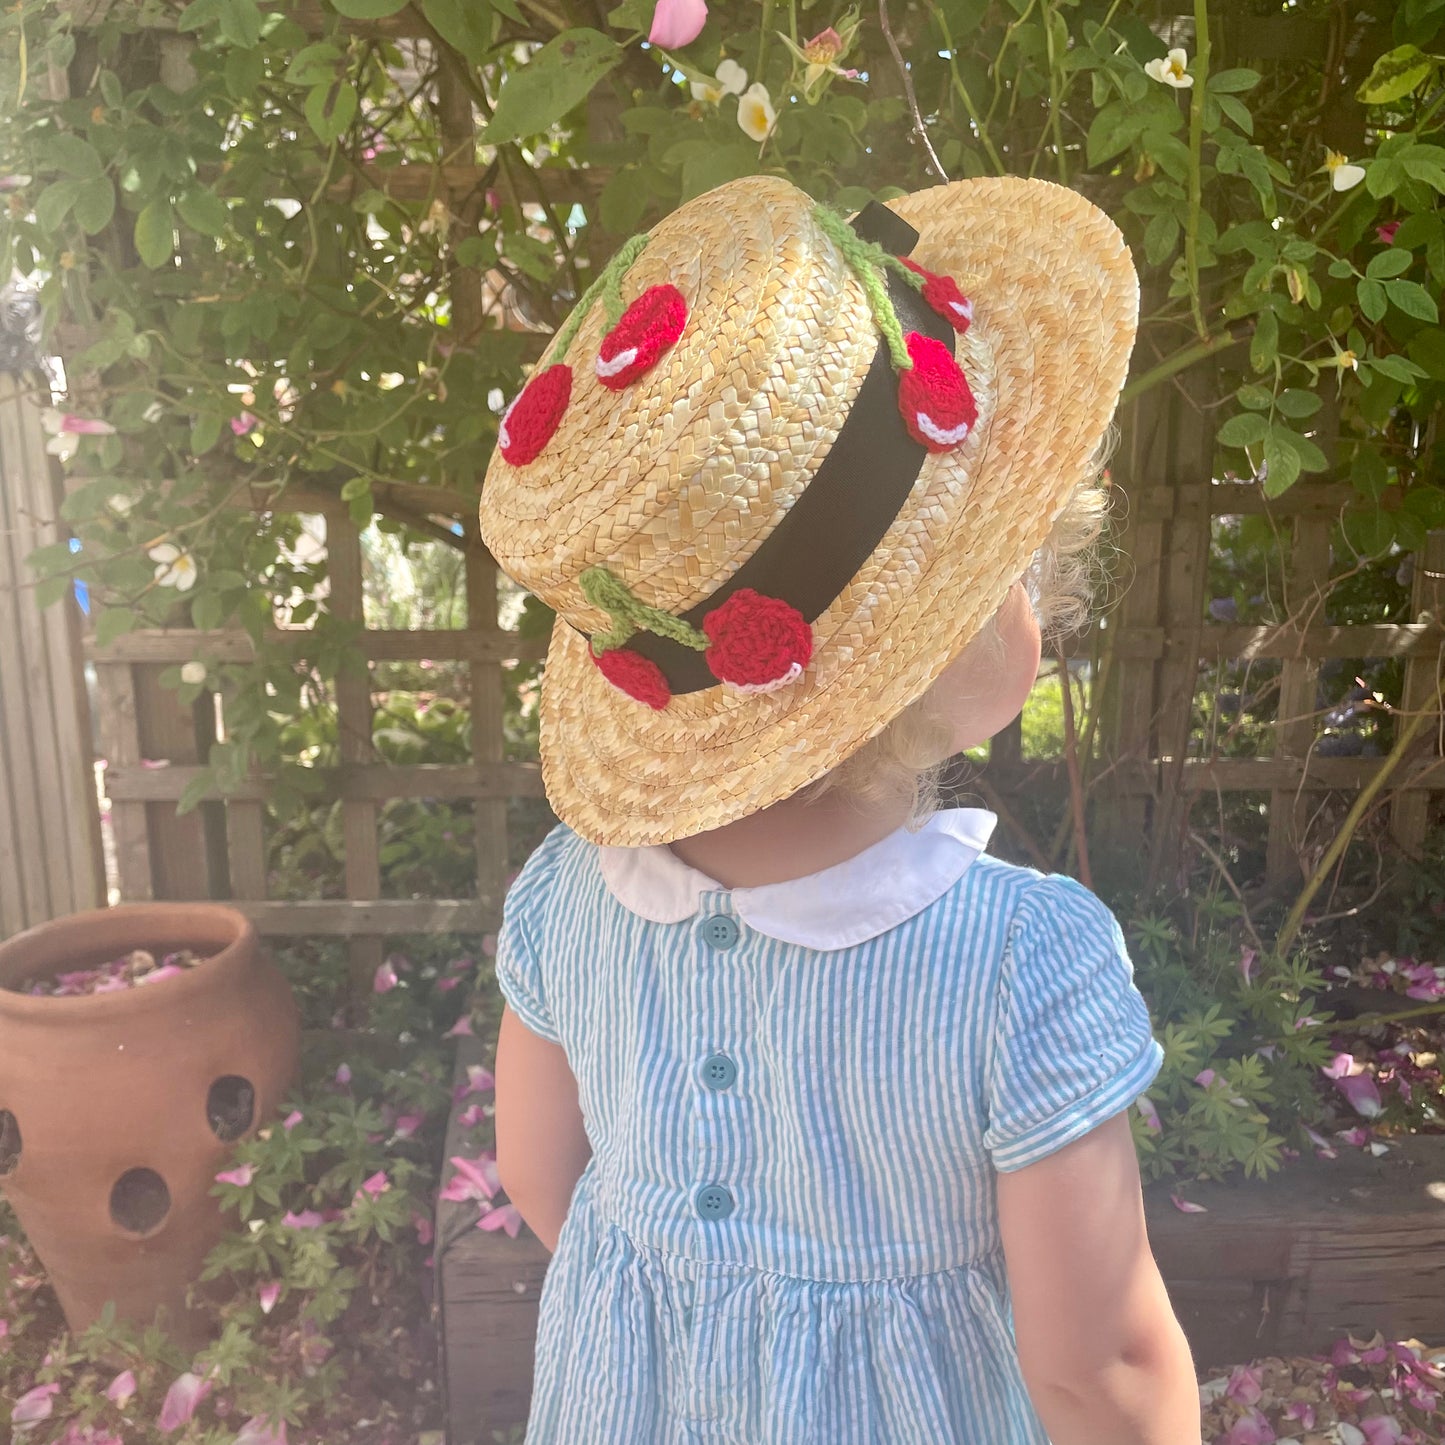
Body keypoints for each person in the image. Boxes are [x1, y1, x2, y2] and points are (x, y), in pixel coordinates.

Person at [478, 173, 1201, 1445]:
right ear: (963, 629)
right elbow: (1096, 1367)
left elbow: (543, 1178)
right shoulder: (1021, 963)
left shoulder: (563, 892)